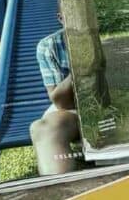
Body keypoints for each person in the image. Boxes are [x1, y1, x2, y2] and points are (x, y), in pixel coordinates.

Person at [31, 16, 81, 175]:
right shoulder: (50, 46)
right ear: (61, 18)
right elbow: (62, 103)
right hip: (75, 106)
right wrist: (80, 67)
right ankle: (62, 186)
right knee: (45, 128)